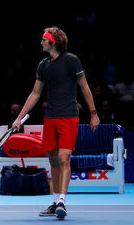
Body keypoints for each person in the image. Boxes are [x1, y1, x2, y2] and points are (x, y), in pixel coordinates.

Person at [12, 26, 100, 220]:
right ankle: (54, 202)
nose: (41, 42)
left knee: (63, 158)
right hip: (50, 117)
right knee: (52, 159)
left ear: (54, 42)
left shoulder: (71, 61)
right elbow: (35, 94)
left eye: (44, 39)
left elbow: (85, 88)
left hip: (69, 116)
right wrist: (19, 117)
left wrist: (93, 114)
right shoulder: (43, 65)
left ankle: (62, 201)